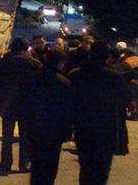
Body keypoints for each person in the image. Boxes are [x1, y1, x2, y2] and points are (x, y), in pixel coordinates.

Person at [69, 42, 132, 185]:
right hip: (106, 129)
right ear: (107, 57)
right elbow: (126, 98)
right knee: (101, 172)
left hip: (83, 128)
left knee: (86, 169)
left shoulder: (77, 75)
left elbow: (68, 101)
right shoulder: (113, 77)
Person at [0, 37, 42, 173]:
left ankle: (6, 162)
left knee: (7, 135)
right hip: (27, 105)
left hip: (8, 103)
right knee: (25, 135)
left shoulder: (3, 62)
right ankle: (24, 164)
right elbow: (39, 87)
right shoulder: (34, 64)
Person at [26, 49, 74, 185]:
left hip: (35, 127)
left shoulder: (34, 78)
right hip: (54, 131)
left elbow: (26, 103)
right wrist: (68, 129)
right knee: (50, 165)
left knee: (36, 164)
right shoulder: (63, 82)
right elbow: (68, 110)